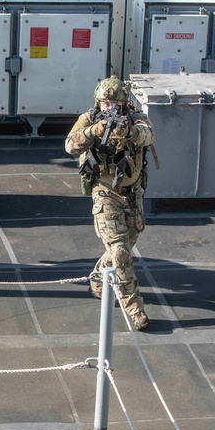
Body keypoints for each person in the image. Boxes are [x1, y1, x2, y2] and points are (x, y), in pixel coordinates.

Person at [65, 76, 155, 332]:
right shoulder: (89, 119)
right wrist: (94, 132)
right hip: (105, 194)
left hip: (132, 192)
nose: (108, 108)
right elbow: (70, 145)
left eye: (113, 103)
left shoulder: (136, 118)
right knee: (120, 251)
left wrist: (130, 133)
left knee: (129, 240)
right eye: (104, 103)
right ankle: (134, 308)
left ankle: (97, 279)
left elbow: (149, 135)